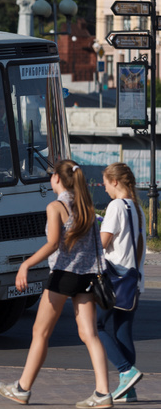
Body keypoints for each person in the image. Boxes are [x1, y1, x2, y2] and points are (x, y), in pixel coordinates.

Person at [0, 160, 112, 408]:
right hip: (88, 276)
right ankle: (103, 393)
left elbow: (53, 244)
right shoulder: (87, 206)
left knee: (40, 332)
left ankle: (22, 389)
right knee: (90, 335)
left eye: (51, 175)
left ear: (57, 179)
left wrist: (25, 265)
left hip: (63, 275)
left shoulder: (56, 206)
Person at [98, 162, 146, 403]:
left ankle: (126, 371)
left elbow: (103, 243)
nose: (104, 188)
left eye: (105, 182)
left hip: (114, 280)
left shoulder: (116, 206)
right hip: (133, 282)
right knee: (123, 333)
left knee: (94, 327)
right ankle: (130, 390)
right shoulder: (138, 209)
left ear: (115, 182)